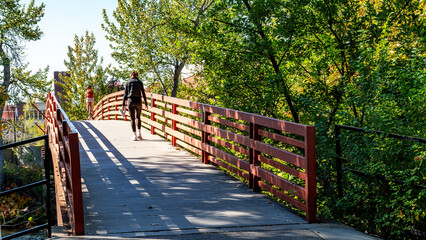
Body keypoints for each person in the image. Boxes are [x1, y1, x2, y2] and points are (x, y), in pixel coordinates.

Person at [121, 71, 148, 141]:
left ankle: (135, 135)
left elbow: (125, 94)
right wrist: (146, 103)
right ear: (137, 76)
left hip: (130, 101)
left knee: (132, 119)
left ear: (131, 75)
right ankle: (139, 133)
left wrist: (123, 104)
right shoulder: (140, 82)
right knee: (138, 117)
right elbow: (143, 93)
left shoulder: (128, 82)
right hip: (138, 100)